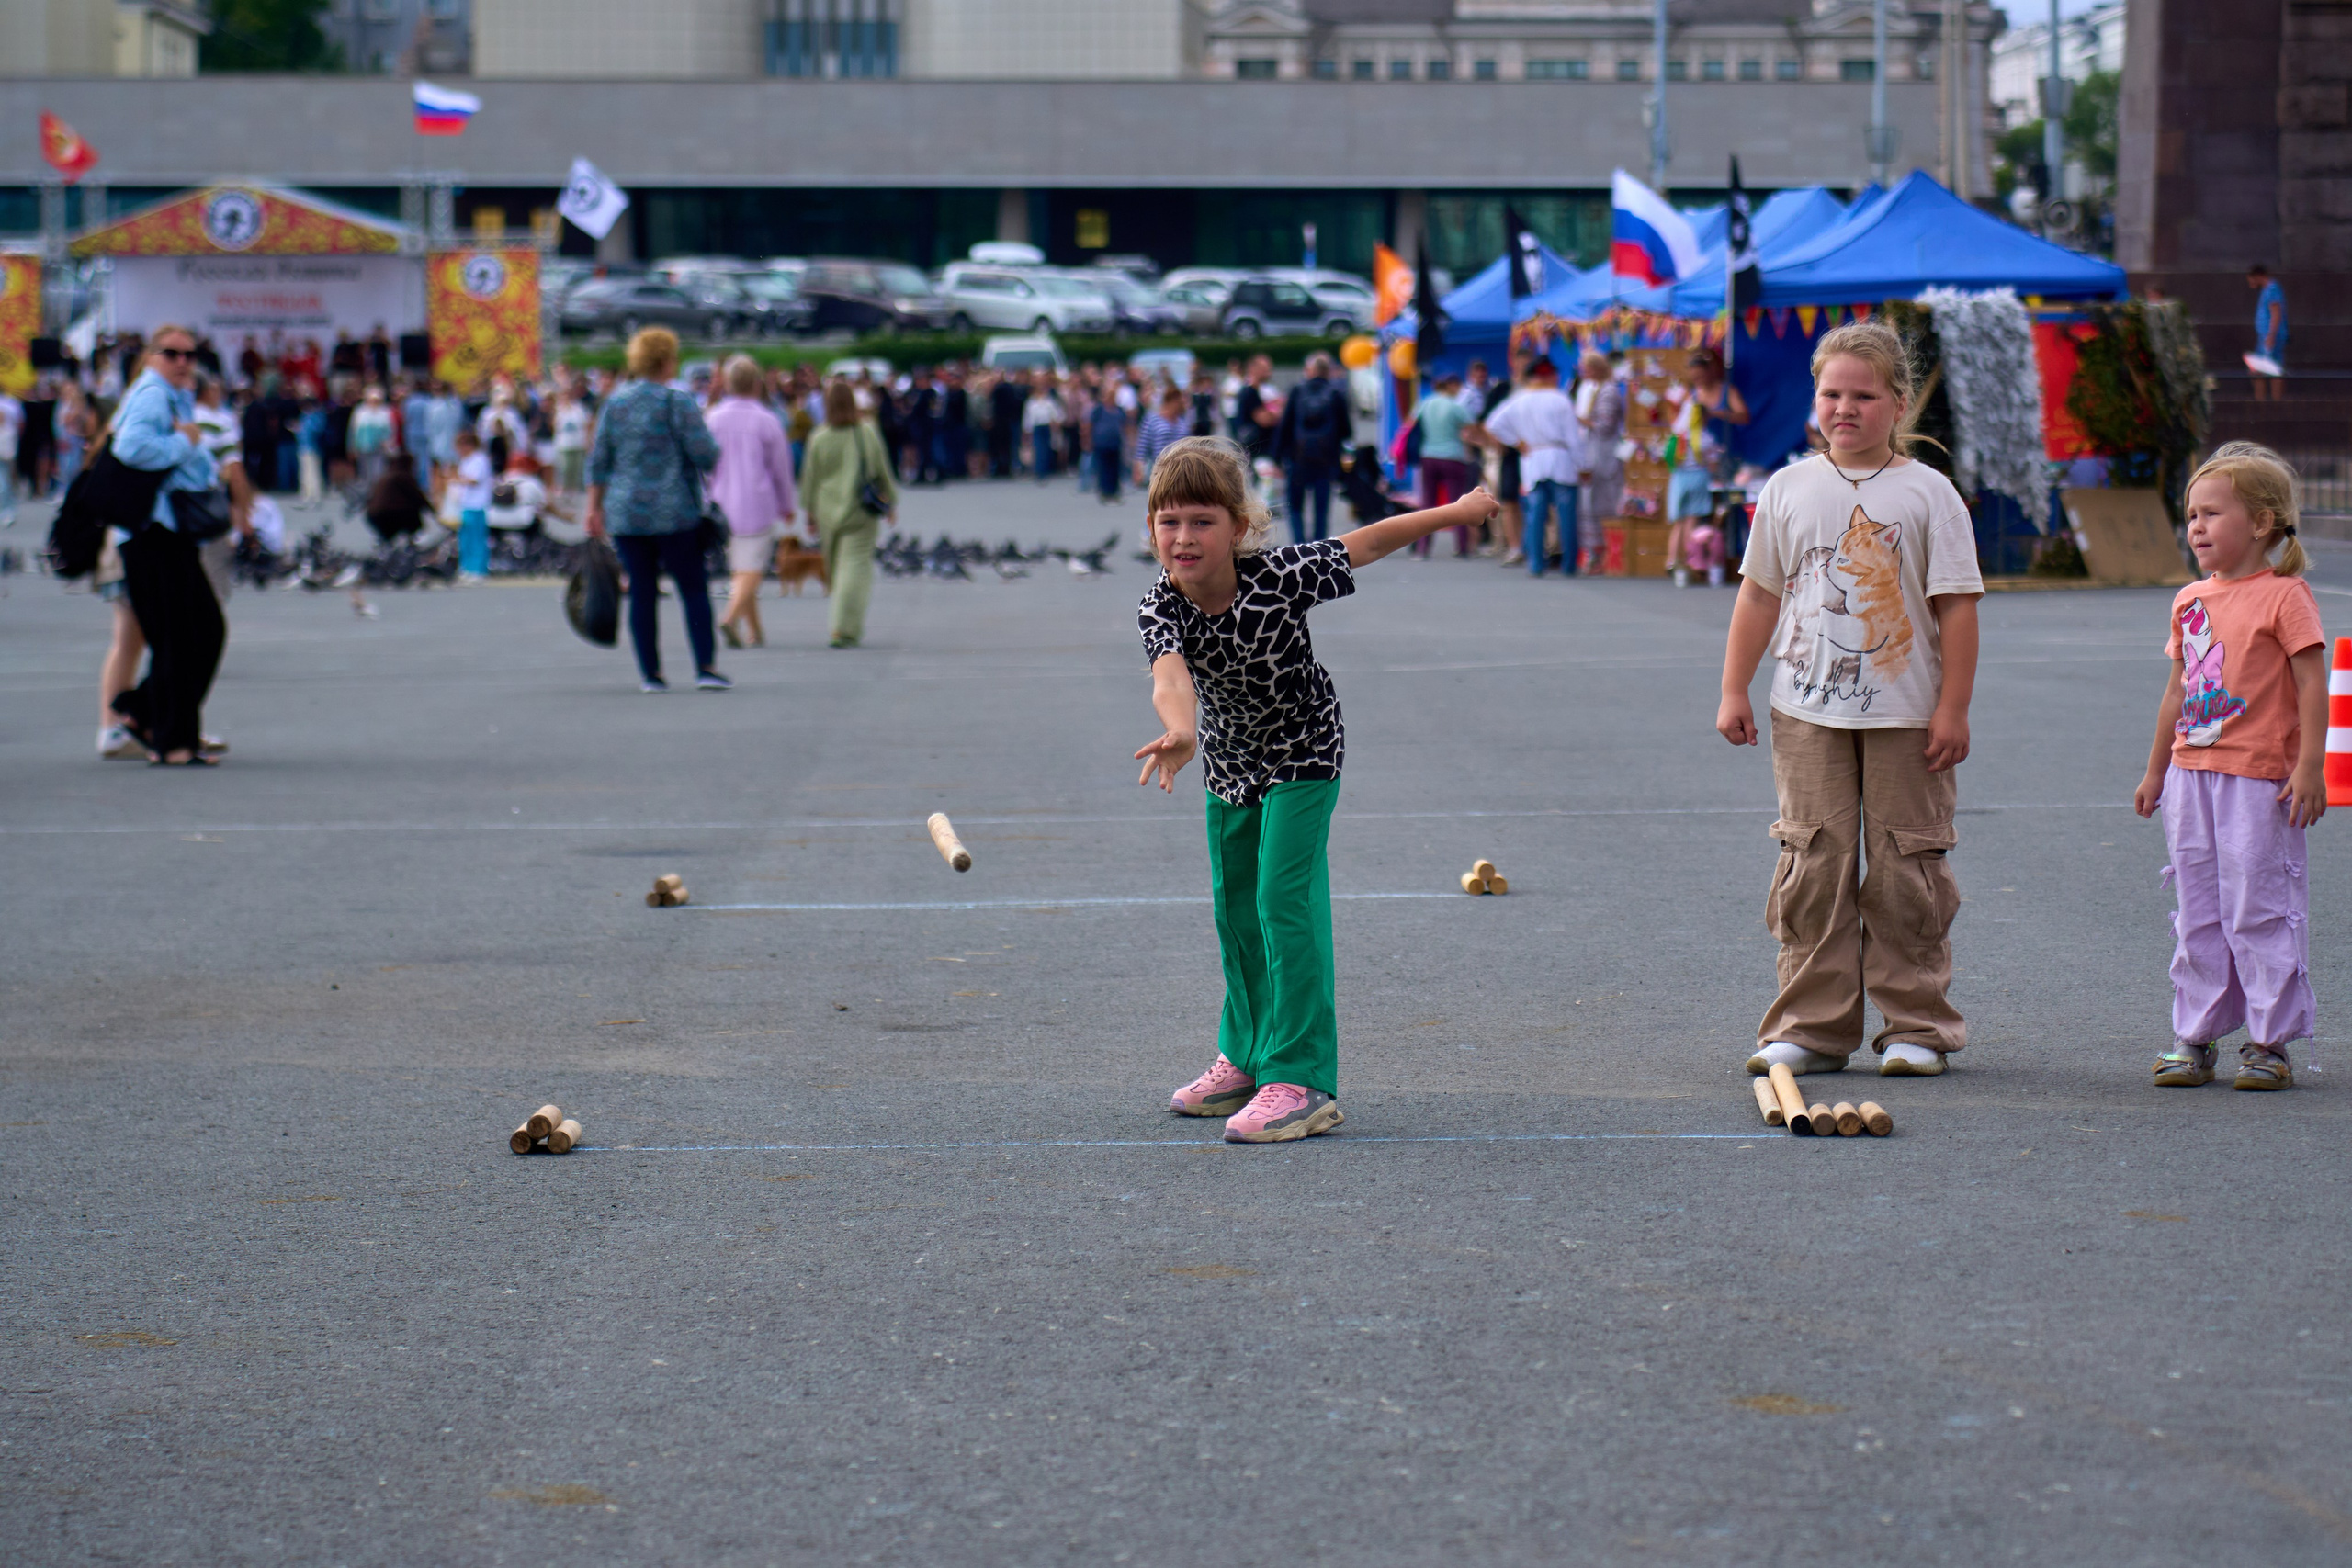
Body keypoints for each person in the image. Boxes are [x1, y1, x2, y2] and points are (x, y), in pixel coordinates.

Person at [1136, 436, 1498, 1143]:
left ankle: (1301, 1077)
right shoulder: (1161, 604)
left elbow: (1367, 541)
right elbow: (1170, 678)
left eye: (1203, 521)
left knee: (1281, 899)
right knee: (1235, 907)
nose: (1184, 537)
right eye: (1169, 521)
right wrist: (1179, 731)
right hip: (1229, 759)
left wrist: (1454, 510)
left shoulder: (1278, 574)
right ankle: (1245, 1056)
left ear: (1238, 528)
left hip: (1305, 750)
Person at [1713, 320, 1984, 1080]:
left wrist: (1953, 706)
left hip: (1909, 714)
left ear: (1898, 403)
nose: (1845, 408)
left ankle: (1917, 1025)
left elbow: (1958, 607)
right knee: (1813, 864)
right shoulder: (1787, 487)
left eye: (1864, 395)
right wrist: (1735, 685)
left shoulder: (1930, 495)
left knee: (1908, 869)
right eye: (1831, 393)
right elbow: (1760, 594)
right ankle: (1810, 1026)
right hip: (1805, 713)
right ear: (1814, 400)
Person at [2132, 443, 2327, 1090]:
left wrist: (2308, 767)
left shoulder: (2285, 595)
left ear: (2263, 522)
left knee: (2258, 904)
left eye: (2212, 513)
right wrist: (2156, 771)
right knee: (2199, 907)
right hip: (2192, 776)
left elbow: (2312, 686)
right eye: (2192, 515)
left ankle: (2269, 1040)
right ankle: (2196, 1033)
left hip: (2257, 781)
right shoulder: (2189, 598)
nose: (2196, 527)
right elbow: (2175, 691)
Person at [107, 325, 227, 767]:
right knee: (187, 635)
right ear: (151, 355)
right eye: (172, 353)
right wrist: (185, 441)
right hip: (152, 533)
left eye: (190, 355)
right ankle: (172, 740)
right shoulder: (153, 394)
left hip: (162, 532)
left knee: (195, 633)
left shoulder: (170, 395)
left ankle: (148, 716)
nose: (182, 362)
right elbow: (132, 448)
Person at [585, 329, 726, 691]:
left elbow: (599, 460)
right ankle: (705, 668)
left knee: (642, 592)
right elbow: (706, 455)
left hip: (626, 512)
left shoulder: (615, 405)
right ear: (665, 361)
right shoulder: (677, 403)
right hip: (674, 510)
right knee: (693, 588)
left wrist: (593, 507)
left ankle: (652, 674)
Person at [707, 355, 798, 650]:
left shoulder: (713, 418)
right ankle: (731, 617)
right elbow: (780, 468)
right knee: (753, 569)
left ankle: (755, 631)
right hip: (757, 502)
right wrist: (786, 504)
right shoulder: (767, 420)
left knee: (741, 568)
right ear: (758, 384)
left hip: (721, 502)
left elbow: (705, 464)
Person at [800, 378, 896, 649]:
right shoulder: (866, 432)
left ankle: (841, 624)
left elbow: (810, 478)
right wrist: (891, 502)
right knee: (854, 567)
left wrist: (809, 512)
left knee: (834, 566)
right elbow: (881, 468)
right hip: (861, 511)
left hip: (827, 510)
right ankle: (844, 627)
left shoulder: (819, 437)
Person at [1478, 357, 1586, 577]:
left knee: (1535, 514)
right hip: (1560, 458)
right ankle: (1569, 564)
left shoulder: (1519, 399)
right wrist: (1583, 465)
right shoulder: (1560, 400)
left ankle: (1536, 563)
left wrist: (1517, 442)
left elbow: (1492, 424)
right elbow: (1573, 437)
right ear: (1549, 376)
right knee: (1566, 515)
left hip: (1533, 459)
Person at [1667, 348, 1747, 587]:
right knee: (1688, 518)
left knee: (1701, 516)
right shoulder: (1691, 395)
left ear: (1711, 372)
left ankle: (1700, 563)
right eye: (1695, 377)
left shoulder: (1726, 391)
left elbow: (1743, 416)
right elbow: (1677, 422)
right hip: (1697, 464)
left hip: (1721, 456)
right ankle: (1684, 562)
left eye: (1701, 376)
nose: (1698, 381)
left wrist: (1717, 414)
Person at [1272, 353, 1352, 545]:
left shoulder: (1297, 391)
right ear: (1328, 372)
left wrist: (1277, 456)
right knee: (1321, 509)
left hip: (1298, 458)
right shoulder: (1335, 394)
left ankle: (1299, 545)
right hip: (1325, 460)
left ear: (1310, 371)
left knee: (1295, 507)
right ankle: (1318, 548)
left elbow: (1285, 425)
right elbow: (1346, 431)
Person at [1408, 372, 1477, 557]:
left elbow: (1411, 422)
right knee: (1459, 504)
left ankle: (1423, 548)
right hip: (1453, 456)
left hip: (1428, 455)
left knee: (1428, 504)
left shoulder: (1426, 402)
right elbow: (1471, 427)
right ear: (1451, 386)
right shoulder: (1456, 406)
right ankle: (1462, 546)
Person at [1577, 352, 1625, 569]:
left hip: (1604, 456)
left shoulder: (1608, 391)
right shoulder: (1593, 389)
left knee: (1603, 504)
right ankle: (1597, 553)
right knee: (1592, 504)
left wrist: (1580, 420)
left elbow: (1605, 426)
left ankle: (1605, 554)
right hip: (1595, 454)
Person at [449, 427, 492, 581]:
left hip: (477, 505)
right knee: (464, 539)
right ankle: (466, 567)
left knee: (477, 539)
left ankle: (479, 570)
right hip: (465, 504)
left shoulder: (479, 459)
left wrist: (456, 480)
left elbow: (474, 480)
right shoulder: (465, 461)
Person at [2247, 264, 2288, 403]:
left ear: (2258, 276)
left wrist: (2271, 336)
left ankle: (2271, 404)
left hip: (2270, 338)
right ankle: (2262, 402)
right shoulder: (2267, 290)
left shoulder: (2272, 289)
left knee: (2271, 369)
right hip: (2265, 337)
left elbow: (2276, 313)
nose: (2251, 283)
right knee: (2258, 369)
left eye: (2251, 279)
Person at [1088, 385, 1127, 503]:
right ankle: (1105, 492)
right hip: (1101, 443)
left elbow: (1125, 424)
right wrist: (1088, 440)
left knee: (1115, 469)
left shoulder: (1119, 409)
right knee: (1103, 469)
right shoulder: (1098, 410)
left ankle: (1114, 492)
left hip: (1115, 443)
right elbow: (1090, 424)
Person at [1022, 372, 1062, 482]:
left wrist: (1056, 422)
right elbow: (1028, 416)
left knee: (1047, 449)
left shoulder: (1049, 401)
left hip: (1047, 426)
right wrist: (1027, 429)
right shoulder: (1031, 402)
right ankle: (1039, 472)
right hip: (1037, 427)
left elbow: (1057, 413)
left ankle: (1045, 470)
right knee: (1038, 449)